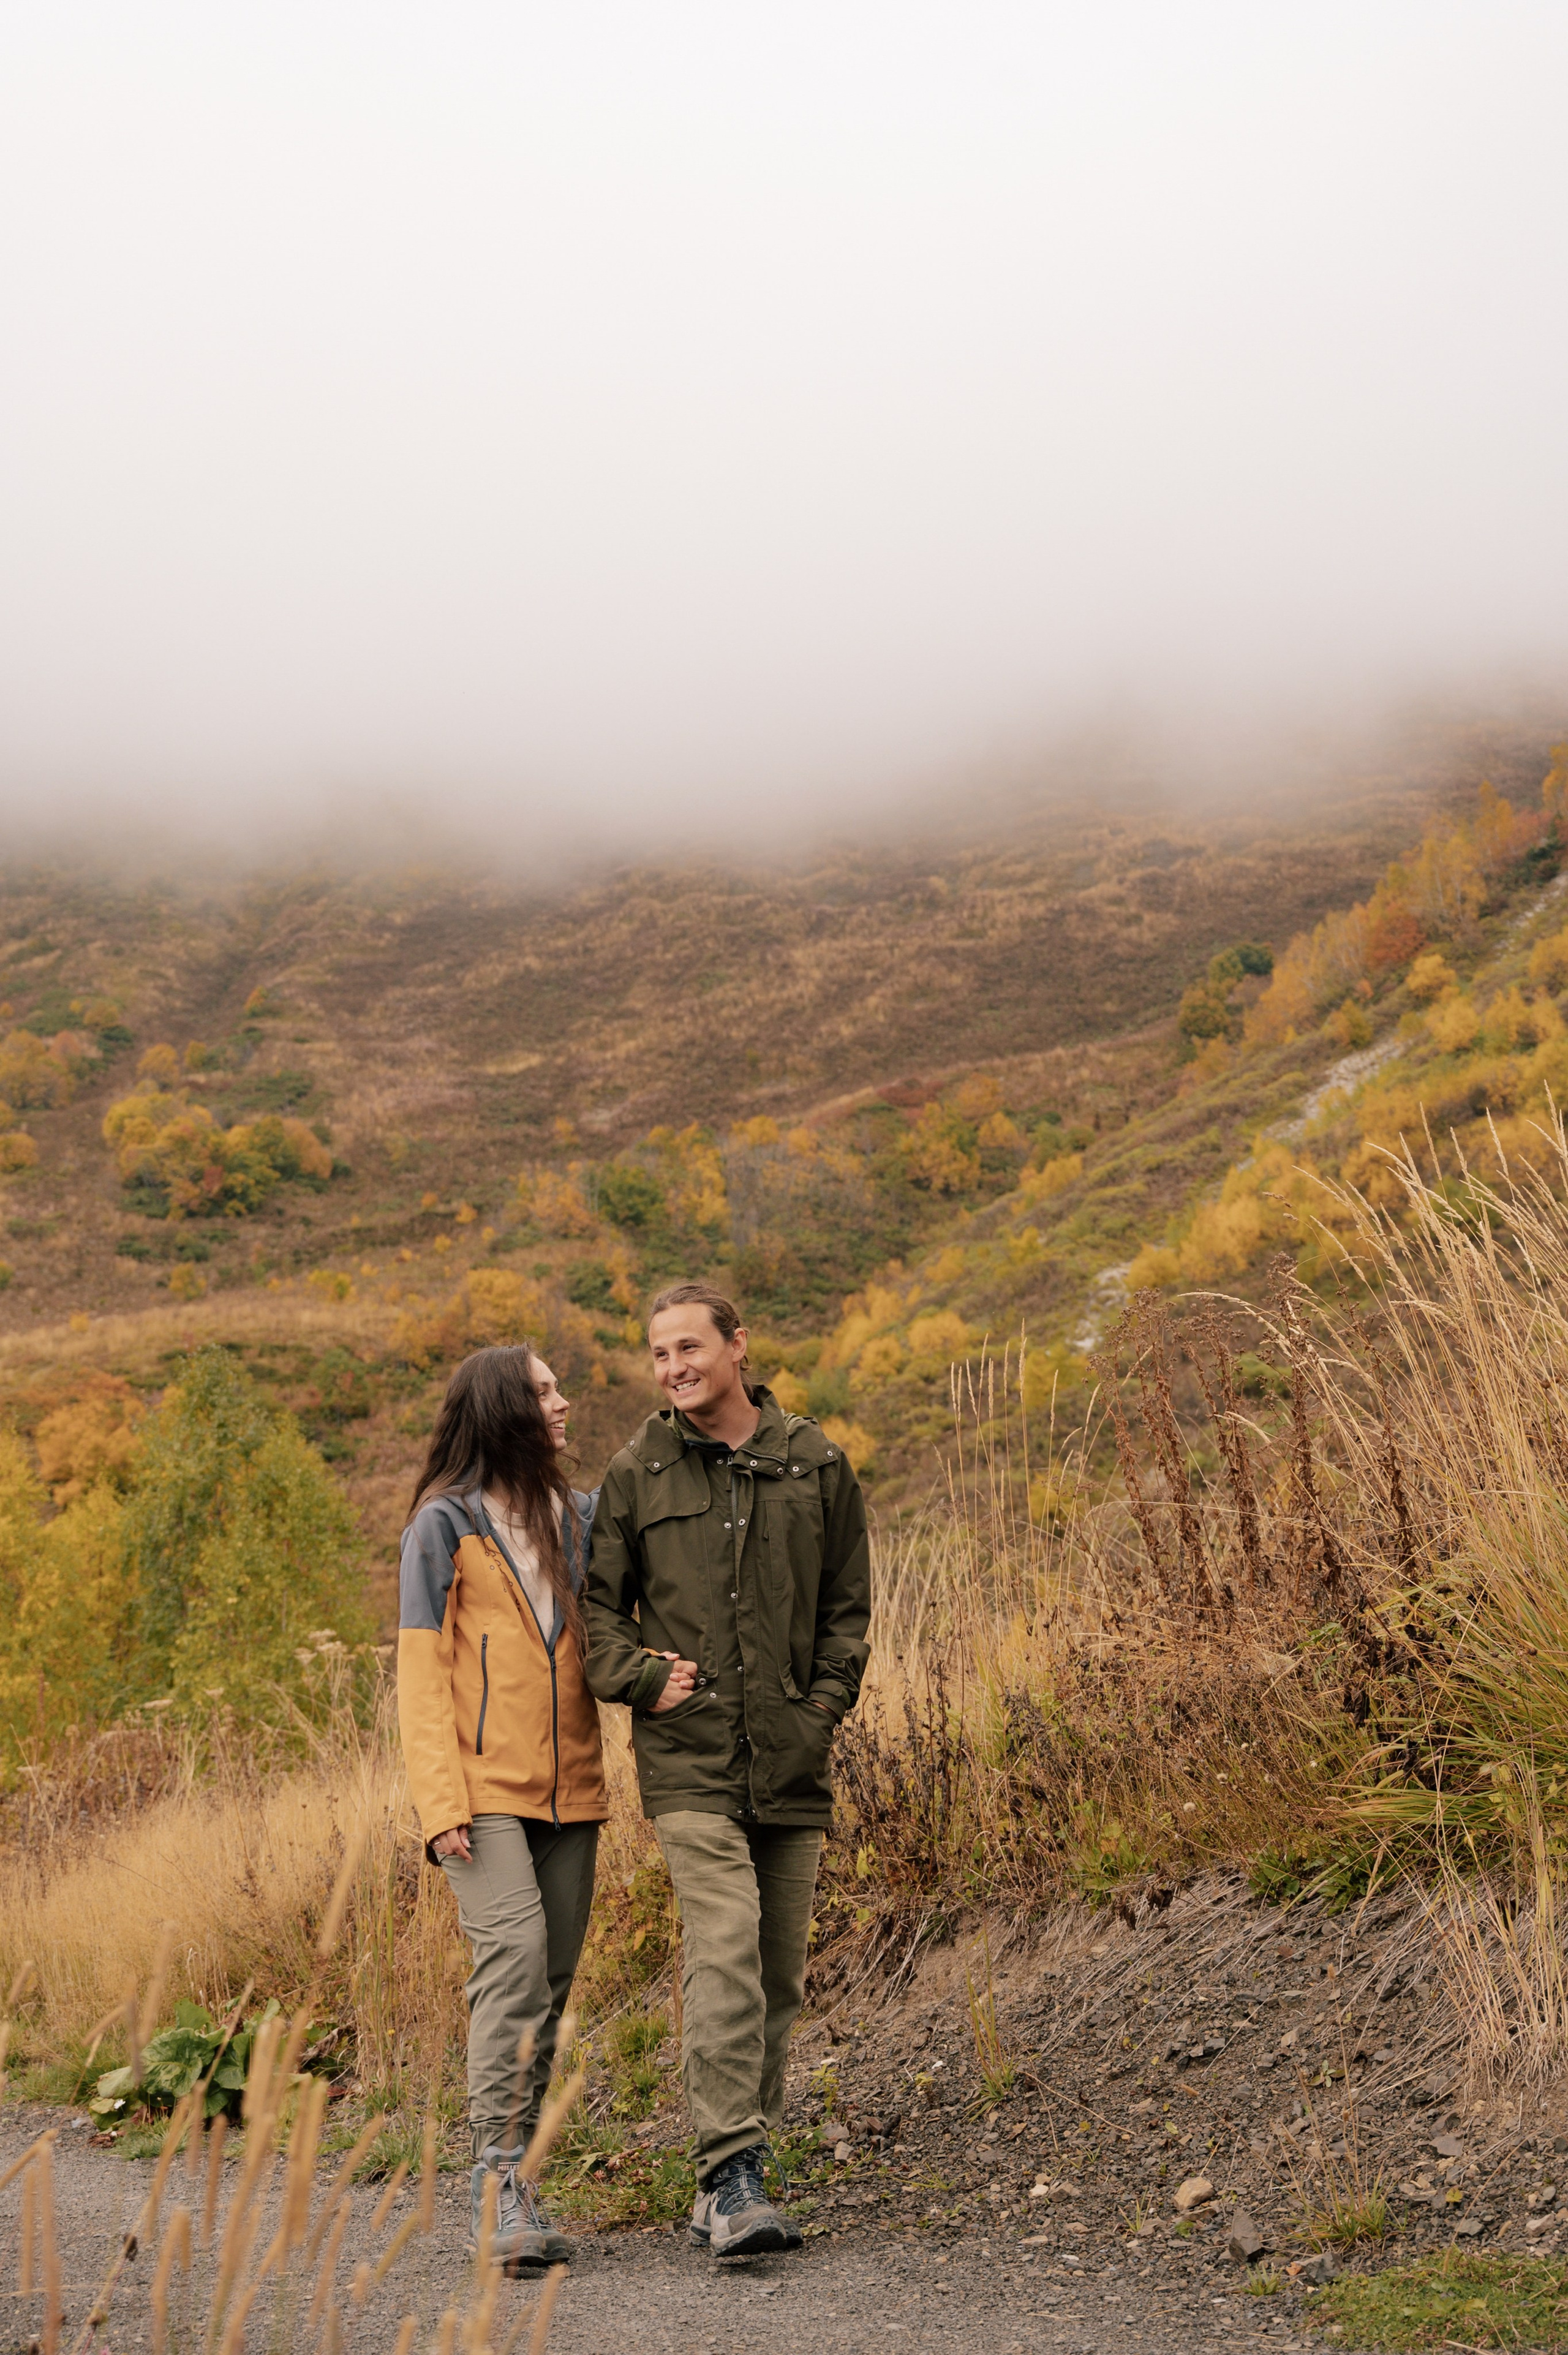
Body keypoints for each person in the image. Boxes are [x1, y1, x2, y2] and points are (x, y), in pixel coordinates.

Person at [585, 1280, 871, 2259]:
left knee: (777, 1974)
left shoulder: (814, 1462)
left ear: (738, 1345)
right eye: (659, 1355)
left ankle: (736, 2173)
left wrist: (823, 1706)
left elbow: (847, 1605)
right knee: (725, 1948)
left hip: (791, 1756)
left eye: (689, 1348)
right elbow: (596, 1613)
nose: (673, 1368)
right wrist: (639, 1679)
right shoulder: (637, 1473)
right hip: (690, 1756)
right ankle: (730, 2171)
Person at [398, 1343, 606, 2270]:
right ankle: (495, 2185)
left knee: (549, 1984)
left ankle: (521, 2177)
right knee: (514, 1959)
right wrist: (439, 1803)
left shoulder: (576, 1516)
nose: (563, 1403)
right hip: (480, 1793)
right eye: (545, 1391)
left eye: (558, 1389)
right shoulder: (444, 1526)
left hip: (573, 1790)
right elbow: (420, 1677)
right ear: (503, 1409)